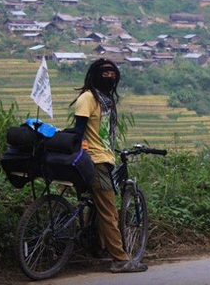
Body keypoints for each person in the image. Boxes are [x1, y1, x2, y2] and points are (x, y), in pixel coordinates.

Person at [70, 58, 147, 274]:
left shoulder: (105, 100)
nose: (110, 78)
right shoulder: (88, 98)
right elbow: (78, 131)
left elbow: (102, 134)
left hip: (104, 157)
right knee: (109, 212)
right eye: (105, 74)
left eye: (112, 74)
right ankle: (120, 259)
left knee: (99, 207)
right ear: (95, 76)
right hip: (94, 161)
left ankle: (98, 247)